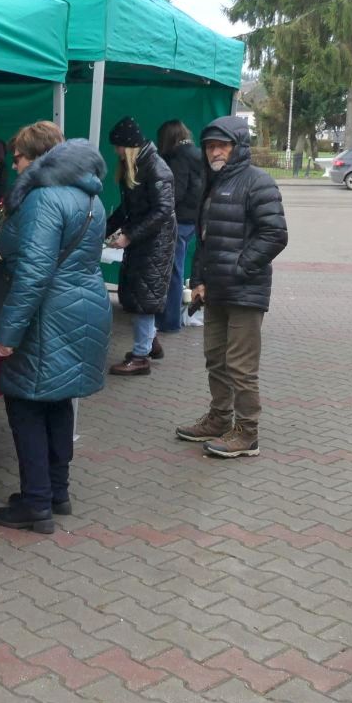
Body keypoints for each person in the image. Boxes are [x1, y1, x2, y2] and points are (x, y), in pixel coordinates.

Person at [0, 121, 111, 534]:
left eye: (19, 158)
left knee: (25, 403)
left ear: (39, 158)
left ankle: (36, 503)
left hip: (48, 314)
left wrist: (7, 333)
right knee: (58, 401)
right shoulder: (91, 196)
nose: (15, 166)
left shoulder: (43, 199)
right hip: (81, 306)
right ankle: (57, 493)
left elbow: (33, 274)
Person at [176, 115, 288, 457]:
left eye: (222, 145)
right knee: (215, 359)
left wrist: (237, 269)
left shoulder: (258, 182)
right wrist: (198, 280)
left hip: (245, 291)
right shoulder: (211, 183)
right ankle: (219, 419)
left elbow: (275, 235)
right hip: (216, 291)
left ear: (238, 147)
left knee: (241, 366)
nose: (215, 152)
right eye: (210, 146)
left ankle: (247, 433)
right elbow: (205, 240)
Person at [105, 116, 176, 376]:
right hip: (145, 240)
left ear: (129, 146)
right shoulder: (140, 165)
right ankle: (149, 343)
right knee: (138, 293)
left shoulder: (156, 168)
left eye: (118, 147)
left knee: (144, 297)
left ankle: (141, 355)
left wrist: (129, 236)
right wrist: (104, 230)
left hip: (154, 243)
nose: (116, 152)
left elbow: (163, 210)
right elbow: (127, 209)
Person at [156, 120, 204, 333]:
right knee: (178, 268)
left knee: (172, 270)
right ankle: (172, 318)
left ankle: (169, 321)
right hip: (193, 219)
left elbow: (177, 191)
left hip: (179, 219)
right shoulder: (198, 154)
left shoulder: (178, 157)